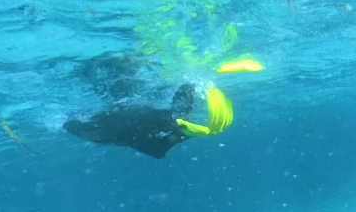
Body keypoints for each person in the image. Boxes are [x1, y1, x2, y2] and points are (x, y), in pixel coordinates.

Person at [65, 57, 255, 158]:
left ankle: (98, 68)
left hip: (129, 120)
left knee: (118, 92)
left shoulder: (118, 129)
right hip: (134, 122)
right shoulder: (165, 124)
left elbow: (76, 127)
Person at [64, 83, 199, 159]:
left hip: (123, 123)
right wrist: (190, 86)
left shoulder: (109, 132)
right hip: (129, 123)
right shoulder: (171, 122)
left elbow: (71, 126)